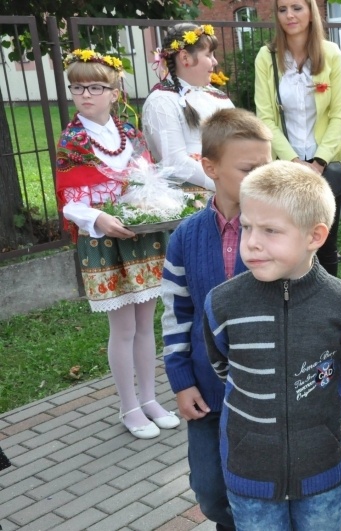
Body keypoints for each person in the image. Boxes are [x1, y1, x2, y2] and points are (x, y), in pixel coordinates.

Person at [203, 161, 341, 530]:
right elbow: (223, 367)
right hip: (251, 474)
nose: (252, 242)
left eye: (270, 230)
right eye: (247, 226)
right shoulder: (223, 304)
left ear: (315, 236)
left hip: (321, 473)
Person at [56, 50, 179, 439]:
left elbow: (145, 179)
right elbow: (68, 198)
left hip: (141, 236)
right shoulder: (72, 139)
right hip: (105, 241)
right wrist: (98, 218)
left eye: (95, 87)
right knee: (123, 327)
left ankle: (150, 398)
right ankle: (129, 407)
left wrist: (153, 204)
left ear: (114, 91)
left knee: (146, 324)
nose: (85, 94)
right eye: (77, 87)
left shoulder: (129, 132)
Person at [161, 108, 272, 530]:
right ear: (209, 167)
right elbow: (176, 313)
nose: (261, 176)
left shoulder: (278, 229)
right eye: (248, 169)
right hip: (207, 390)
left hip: (263, 392)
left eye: (267, 166)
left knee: (260, 491)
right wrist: (181, 379)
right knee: (210, 490)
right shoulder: (186, 236)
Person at [254, 0, 341, 277]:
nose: (289, 15)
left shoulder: (331, 53)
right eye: (282, 10)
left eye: (297, 7)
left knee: (325, 244)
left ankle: (329, 310)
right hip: (287, 165)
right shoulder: (266, 57)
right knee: (289, 243)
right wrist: (294, 162)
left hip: (326, 164)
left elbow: (338, 115)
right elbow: (265, 117)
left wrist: (318, 162)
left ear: (311, 12)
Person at [142, 23, 234, 191]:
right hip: (193, 196)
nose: (215, 61)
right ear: (185, 58)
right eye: (209, 54)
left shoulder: (217, 96)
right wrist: (225, 186)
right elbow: (176, 162)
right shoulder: (162, 102)